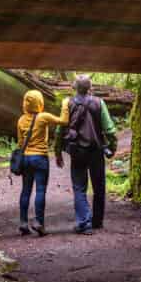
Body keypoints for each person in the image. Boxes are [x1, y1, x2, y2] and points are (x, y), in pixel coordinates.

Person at [55, 75, 117, 235]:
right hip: (96, 150)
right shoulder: (99, 102)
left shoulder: (68, 103)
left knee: (79, 187)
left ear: (74, 87)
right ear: (90, 88)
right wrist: (113, 146)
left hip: (77, 151)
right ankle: (97, 221)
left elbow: (60, 129)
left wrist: (58, 152)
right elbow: (109, 129)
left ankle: (84, 222)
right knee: (99, 187)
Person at [15, 89, 68, 236]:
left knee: (25, 191)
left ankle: (23, 223)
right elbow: (64, 121)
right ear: (39, 102)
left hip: (25, 158)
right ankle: (39, 222)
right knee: (40, 191)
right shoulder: (43, 117)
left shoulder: (20, 120)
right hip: (40, 159)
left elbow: (20, 143)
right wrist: (65, 104)